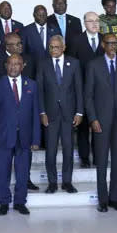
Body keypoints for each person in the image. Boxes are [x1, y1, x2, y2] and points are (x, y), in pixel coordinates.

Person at [84, 34, 117, 213]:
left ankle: (115, 199)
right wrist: (93, 119)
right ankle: (103, 200)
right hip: (101, 122)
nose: (113, 46)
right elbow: (88, 96)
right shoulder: (93, 65)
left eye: (115, 43)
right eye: (110, 43)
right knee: (101, 162)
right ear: (103, 45)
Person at [0, 53, 40, 215]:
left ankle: (20, 202)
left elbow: (35, 113)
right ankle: (3, 202)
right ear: (6, 65)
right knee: (2, 171)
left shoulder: (31, 84)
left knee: (23, 171)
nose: (13, 67)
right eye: (10, 63)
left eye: (17, 64)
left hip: (24, 136)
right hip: (3, 136)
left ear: (22, 66)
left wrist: (36, 138)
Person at [37, 34, 83, 193]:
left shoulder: (74, 63)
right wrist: (42, 112)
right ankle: (52, 182)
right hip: (50, 114)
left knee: (69, 149)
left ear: (64, 47)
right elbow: (40, 91)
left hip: (69, 114)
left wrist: (79, 112)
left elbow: (79, 89)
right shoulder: (43, 64)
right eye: (51, 47)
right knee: (50, 151)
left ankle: (67, 181)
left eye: (56, 47)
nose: (53, 50)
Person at [71, 11, 104, 167]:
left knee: (99, 125)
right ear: (85, 23)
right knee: (83, 126)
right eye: (91, 21)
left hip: (102, 91)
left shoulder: (105, 40)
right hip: (82, 89)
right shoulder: (76, 41)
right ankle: (84, 158)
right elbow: (71, 66)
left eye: (97, 21)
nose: (94, 24)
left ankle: (98, 157)